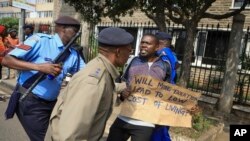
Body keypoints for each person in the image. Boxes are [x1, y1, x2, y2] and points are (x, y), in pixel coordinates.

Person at [1, 16, 85, 141]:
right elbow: (7, 60)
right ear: (62, 29)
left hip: (53, 103)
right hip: (30, 101)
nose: (77, 34)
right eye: (74, 30)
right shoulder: (39, 40)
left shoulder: (73, 54)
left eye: (78, 31)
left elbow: (86, 74)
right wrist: (39, 67)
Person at [49, 27, 134, 141]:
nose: (130, 55)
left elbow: (104, 91)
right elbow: (71, 132)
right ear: (118, 52)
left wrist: (123, 88)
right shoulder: (94, 81)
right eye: (129, 50)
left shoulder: (100, 69)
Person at [107, 34, 171, 141]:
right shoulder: (133, 61)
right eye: (142, 42)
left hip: (146, 123)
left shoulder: (165, 66)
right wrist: (123, 94)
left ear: (157, 47)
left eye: (148, 43)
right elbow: (125, 82)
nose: (143, 45)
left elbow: (168, 92)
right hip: (124, 117)